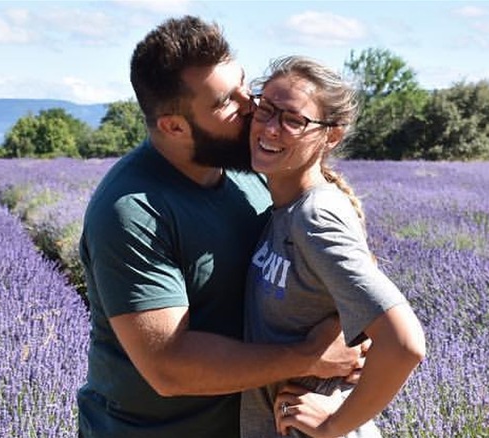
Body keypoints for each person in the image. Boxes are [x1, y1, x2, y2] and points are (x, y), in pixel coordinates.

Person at [77, 17, 363, 438]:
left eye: (245, 84)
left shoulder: (249, 167)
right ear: (174, 126)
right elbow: (168, 367)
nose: (252, 105)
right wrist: (310, 356)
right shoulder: (133, 211)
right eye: (226, 102)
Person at [240, 56, 427, 438]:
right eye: (266, 110)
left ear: (332, 135)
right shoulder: (283, 210)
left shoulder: (315, 216)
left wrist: (333, 425)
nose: (270, 128)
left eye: (293, 120)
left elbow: (405, 343)